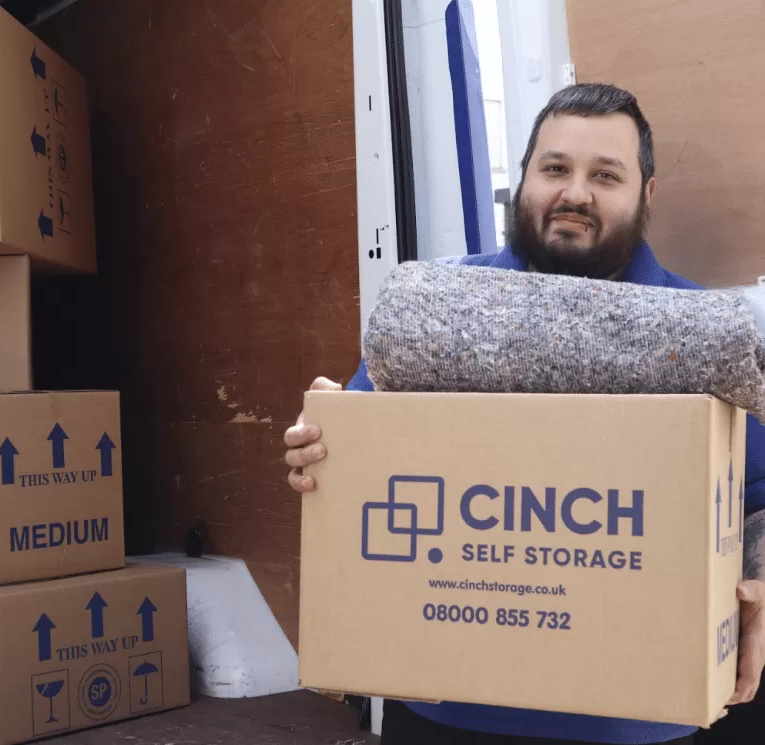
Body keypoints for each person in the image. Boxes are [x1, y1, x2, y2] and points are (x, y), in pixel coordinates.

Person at [284, 83, 765, 745]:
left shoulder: (706, 334)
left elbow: (758, 497)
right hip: (445, 706)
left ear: (646, 194)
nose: (575, 193)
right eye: (555, 168)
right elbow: (358, 456)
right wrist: (321, 448)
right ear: (524, 179)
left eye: (605, 175)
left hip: (637, 715)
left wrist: (760, 579)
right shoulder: (439, 312)